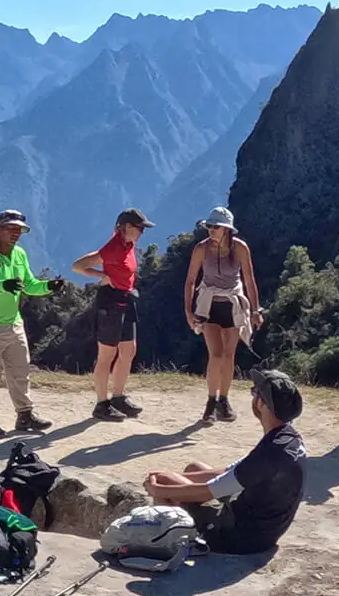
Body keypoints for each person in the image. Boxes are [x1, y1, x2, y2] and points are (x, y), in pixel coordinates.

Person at [142, 370, 307, 555]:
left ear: (261, 403)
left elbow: (207, 493)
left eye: (255, 393)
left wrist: (158, 489)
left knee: (164, 482)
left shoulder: (267, 455)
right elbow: (227, 473)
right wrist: (179, 477)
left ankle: (166, 545)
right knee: (193, 468)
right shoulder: (288, 439)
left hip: (238, 538)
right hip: (264, 530)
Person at [0, 209, 56, 438]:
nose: (16, 233)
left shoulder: (19, 254)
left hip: (13, 322)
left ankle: (25, 414)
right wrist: (3, 286)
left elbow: (29, 284)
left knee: (20, 371)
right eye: (11, 228)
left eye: (18, 229)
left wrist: (49, 287)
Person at [74, 208, 155, 423]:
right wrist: (102, 276)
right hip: (110, 302)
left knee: (128, 350)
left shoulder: (129, 244)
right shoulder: (113, 247)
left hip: (126, 299)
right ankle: (101, 405)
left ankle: (118, 397)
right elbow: (78, 266)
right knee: (106, 355)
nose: (142, 233)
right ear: (127, 228)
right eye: (140, 228)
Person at [184, 207, 264, 423]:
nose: (211, 230)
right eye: (209, 226)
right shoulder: (201, 249)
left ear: (226, 229)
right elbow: (191, 281)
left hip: (233, 304)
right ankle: (211, 401)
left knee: (229, 355)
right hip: (209, 305)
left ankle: (224, 400)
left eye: (215, 226)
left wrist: (256, 311)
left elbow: (249, 280)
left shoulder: (240, 248)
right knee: (216, 354)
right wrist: (189, 311)